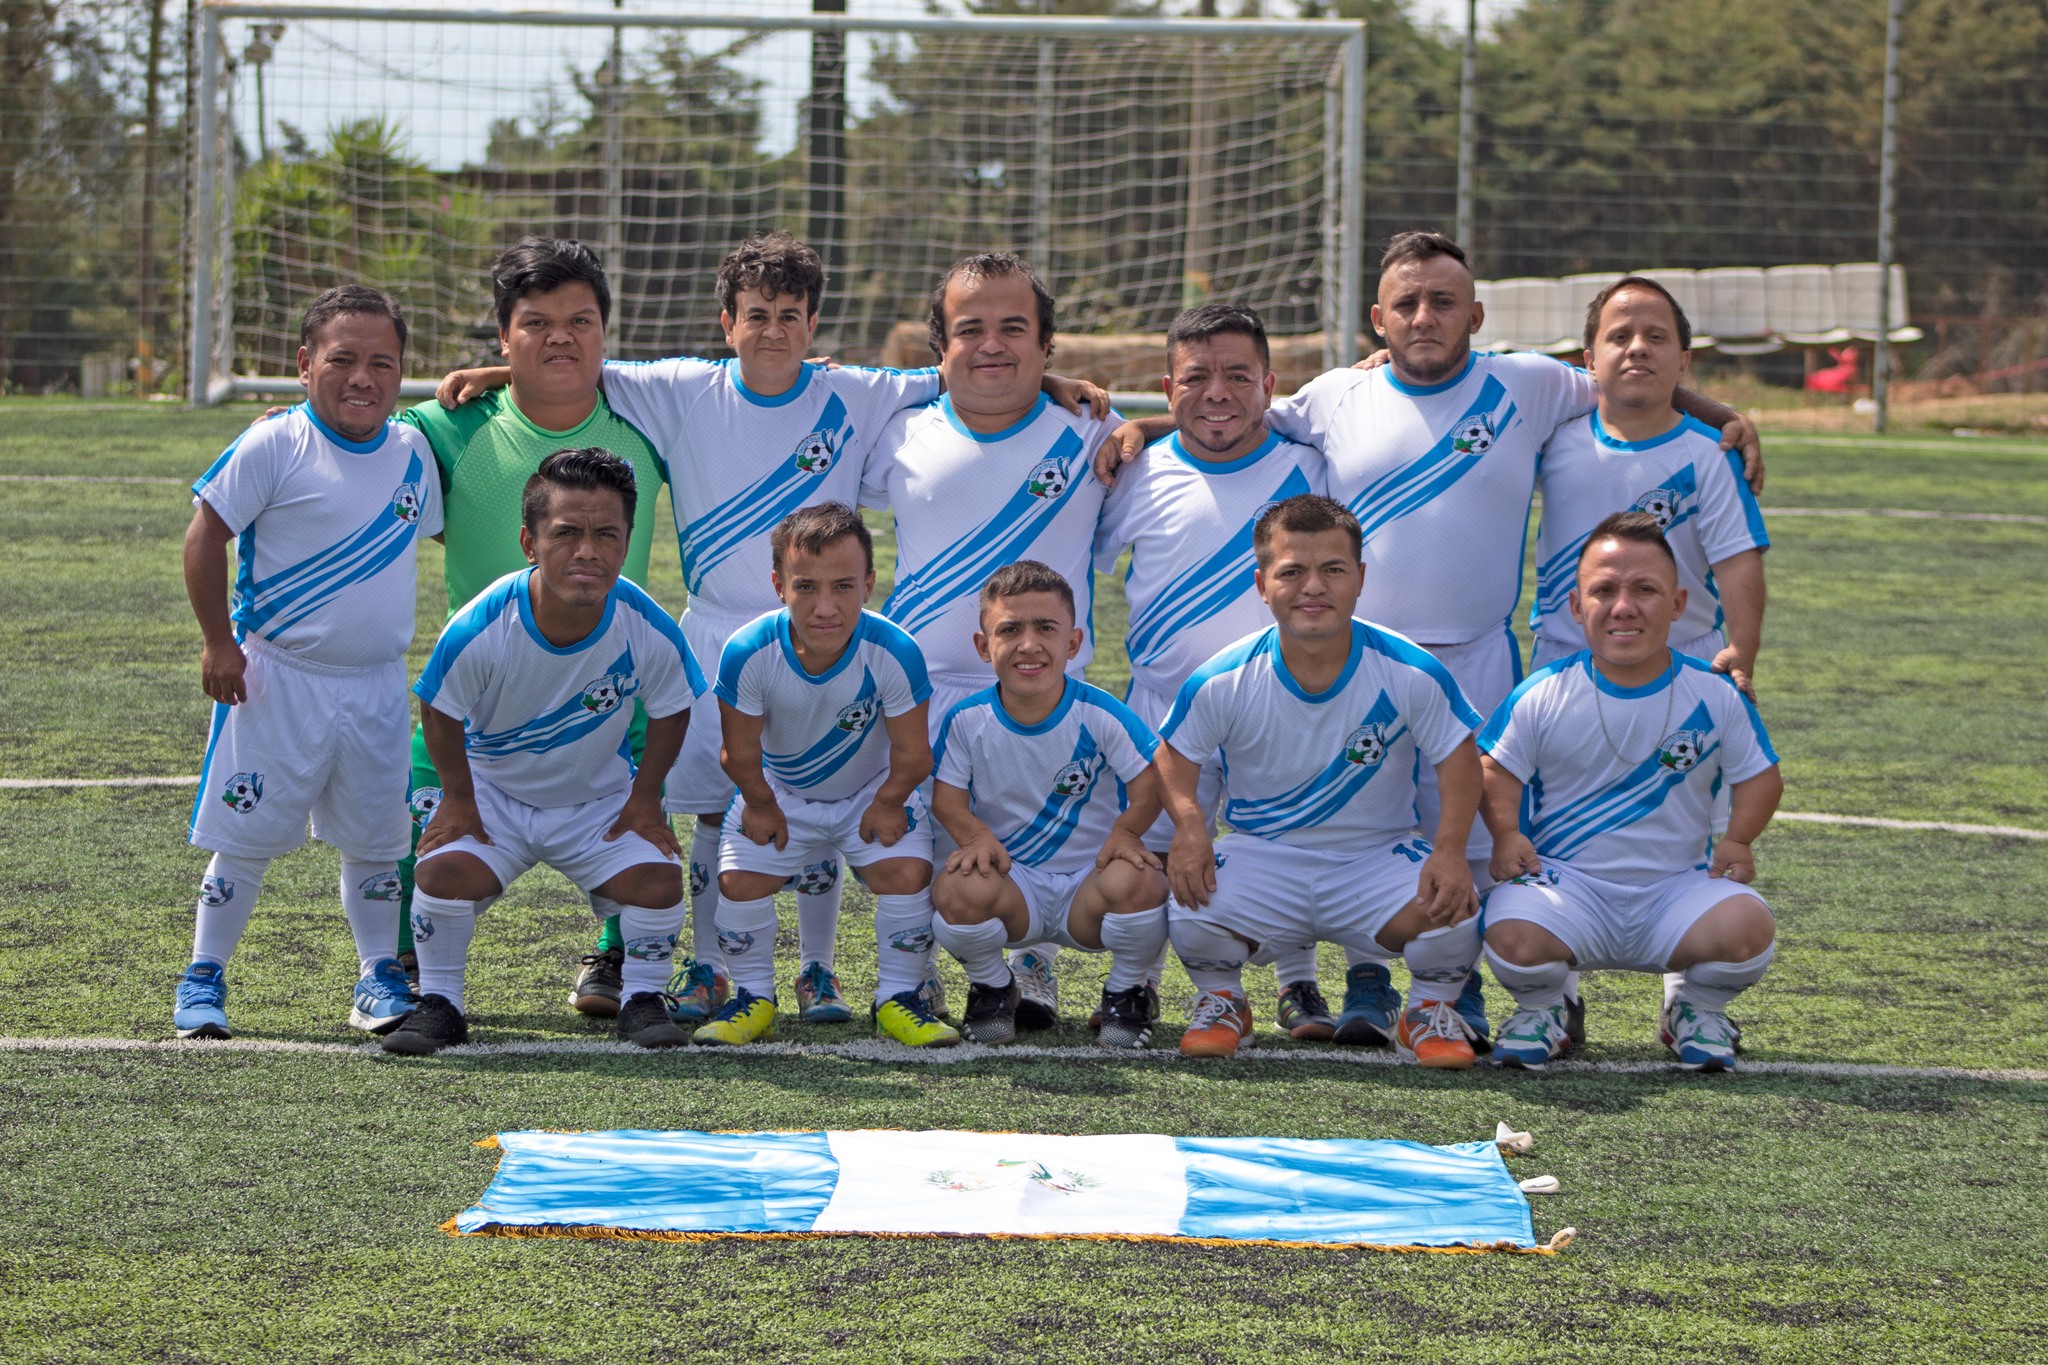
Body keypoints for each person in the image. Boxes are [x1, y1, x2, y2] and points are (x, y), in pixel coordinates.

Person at [1096, 231, 1765, 1053]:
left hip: (1476, 655)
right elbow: (1228, 409)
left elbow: (1628, 380)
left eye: (1443, 302)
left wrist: (1724, 416)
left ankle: (1468, 990)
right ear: (1378, 320)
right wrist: (1140, 425)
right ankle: (1367, 981)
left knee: (1473, 841)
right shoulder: (1338, 395)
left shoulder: (1526, 384)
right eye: (1406, 304)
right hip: (1354, 663)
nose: (1424, 317)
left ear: (1475, 316)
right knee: (1353, 827)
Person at [438, 232, 1103, 1029]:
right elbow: (577, 366)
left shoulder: (854, 392)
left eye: (791, 315)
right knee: (714, 811)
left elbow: (959, 371)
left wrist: (1055, 381)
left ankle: (822, 969)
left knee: (823, 798)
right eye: (756, 314)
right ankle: (708, 964)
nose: (774, 330)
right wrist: (497, 374)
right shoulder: (682, 388)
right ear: (727, 322)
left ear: (814, 323)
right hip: (717, 637)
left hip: (822, 635)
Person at [401, 237, 669, 1022]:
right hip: (480, 698)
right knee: (416, 851)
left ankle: (616, 954)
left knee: (647, 838)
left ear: (606, 332)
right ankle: (414, 967)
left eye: (580, 321)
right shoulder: (445, 428)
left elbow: (757, 389)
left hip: (609, 691)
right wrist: (290, 427)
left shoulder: (650, 419)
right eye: (537, 323)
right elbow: (350, 437)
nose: (561, 337)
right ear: (503, 335)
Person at [174, 286, 442, 1041]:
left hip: (377, 685)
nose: (363, 378)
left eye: (382, 363)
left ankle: (377, 977)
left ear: (401, 371)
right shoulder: (274, 443)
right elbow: (205, 535)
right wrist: (218, 642)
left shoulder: (413, 451)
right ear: (303, 364)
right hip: (275, 679)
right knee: (245, 838)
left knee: (378, 842)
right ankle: (204, 975)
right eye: (342, 359)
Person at [862, 251, 1123, 1029]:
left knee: (1033, 837)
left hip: (1043, 689)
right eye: (970, 329)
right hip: (917, 692)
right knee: (915, 847)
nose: (992, 345)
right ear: (940, 347)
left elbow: (1213, 427)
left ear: (1047, 345)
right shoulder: (897, 433)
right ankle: (911, 981)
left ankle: (1031, 966)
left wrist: (1134, 421)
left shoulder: (1091, 432)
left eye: (1014, 328)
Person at [386, 448, 703, 1055]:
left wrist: (644, 799)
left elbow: (672, 707)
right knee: (441, 871)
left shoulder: (645, 622)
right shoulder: (484, 623)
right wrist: (459, 799)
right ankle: (441, 1003)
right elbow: (439, 707)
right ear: (530, 543)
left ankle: (641, 998)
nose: (588, 551)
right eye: (567, 533)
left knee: (660, 877)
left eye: (607, 534)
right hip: (496, 795)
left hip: (595, 801)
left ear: (627, 543)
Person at [1156, 496, 1486, 1066]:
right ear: (1262, 585)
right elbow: (1174, 755)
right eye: (1292, 572)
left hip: (1376, 855)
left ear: (1360, 579)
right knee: (1190, 906)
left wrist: (1451, 850)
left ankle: (1427, 1011)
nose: (1314, 587)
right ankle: (1225, 1001)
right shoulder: (1223, 677)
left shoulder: (1410, 669)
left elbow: (1458, 757)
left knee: (1455, 907)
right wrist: (1190, 830)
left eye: (1333, 569)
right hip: (1265, 853)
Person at [1090, 303, 1334, 1039]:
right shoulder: (1136, 471)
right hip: (1164, 705)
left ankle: (1298, 982)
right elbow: (1087, 556)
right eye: (1196, 377)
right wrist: (1135, 432)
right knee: (1152, 849)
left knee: (1288, 843)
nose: (1217, 392)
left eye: (1238, 375)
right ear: (1168, 388)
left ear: (1270, 385)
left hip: (1280, 703)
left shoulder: (1313, 469)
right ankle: (1134, 984)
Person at [1478, 512, 1782, 1072]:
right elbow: (1495, 768)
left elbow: (1761, 774)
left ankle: (1696, 1008)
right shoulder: (1543, 692)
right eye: (1604, 590)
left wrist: (1739, 839)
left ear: (1678, 603)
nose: (1624, 607)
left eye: (1645, 590)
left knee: (1748, 926)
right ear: (1577, 606)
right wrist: (1507, 834)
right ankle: (1544, 1008)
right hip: (1570, 889)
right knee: (1508, 927)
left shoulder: (1714, 694)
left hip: (1677, 889)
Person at [696, 503, 958, 1049]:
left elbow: (914, 756)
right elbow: (738, 754)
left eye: (843, 587)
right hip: (779, 793)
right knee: (738, 881)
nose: (825, 607)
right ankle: (754, 998)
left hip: (872, 793)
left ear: (868, 584)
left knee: (909, 872)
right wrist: (760, 803)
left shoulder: (895, 651)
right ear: (779, 586)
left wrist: (888, 802)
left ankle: (898, 998)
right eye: (806, 587)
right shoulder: (747, 650)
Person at [929, 562, 1170, 1048]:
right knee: (955, 888)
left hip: (1089, 887)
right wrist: (975, 835)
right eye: (1009, 630)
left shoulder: (1100, 713)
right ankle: (994, 988)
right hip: (1015, 887)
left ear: (1073, 643)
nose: (1028, 644)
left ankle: (1125, 993)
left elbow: (1150, 781)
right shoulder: (966, 720)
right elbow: (947, 797)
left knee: (1144, 879)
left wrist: (1126, 832)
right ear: (983, 646)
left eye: (1045, 628)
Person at [1528, 275, 1768, 693]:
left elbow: (1737, 561)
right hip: (1565, 661)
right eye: (1619, 336)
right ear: (1589, 361)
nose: (1638, 347)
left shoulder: (1712, 453)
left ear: (1683, 361)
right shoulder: (1549, 441)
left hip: (1685, 661)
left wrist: (1742, 649)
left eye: (1656, 337)